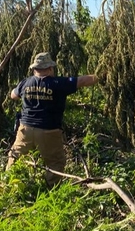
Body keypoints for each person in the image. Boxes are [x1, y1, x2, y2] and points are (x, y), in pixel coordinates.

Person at [7, 52, 99, 187]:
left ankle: (7, 186)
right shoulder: (58, 83)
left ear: (34, 69)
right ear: (50, 68)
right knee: (55, 162)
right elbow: (83, 81)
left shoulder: (25, 83)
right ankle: (52, 189)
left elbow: (13, 95)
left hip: (25, 130)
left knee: (15, 157)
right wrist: (102, 75)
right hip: (48, 131)